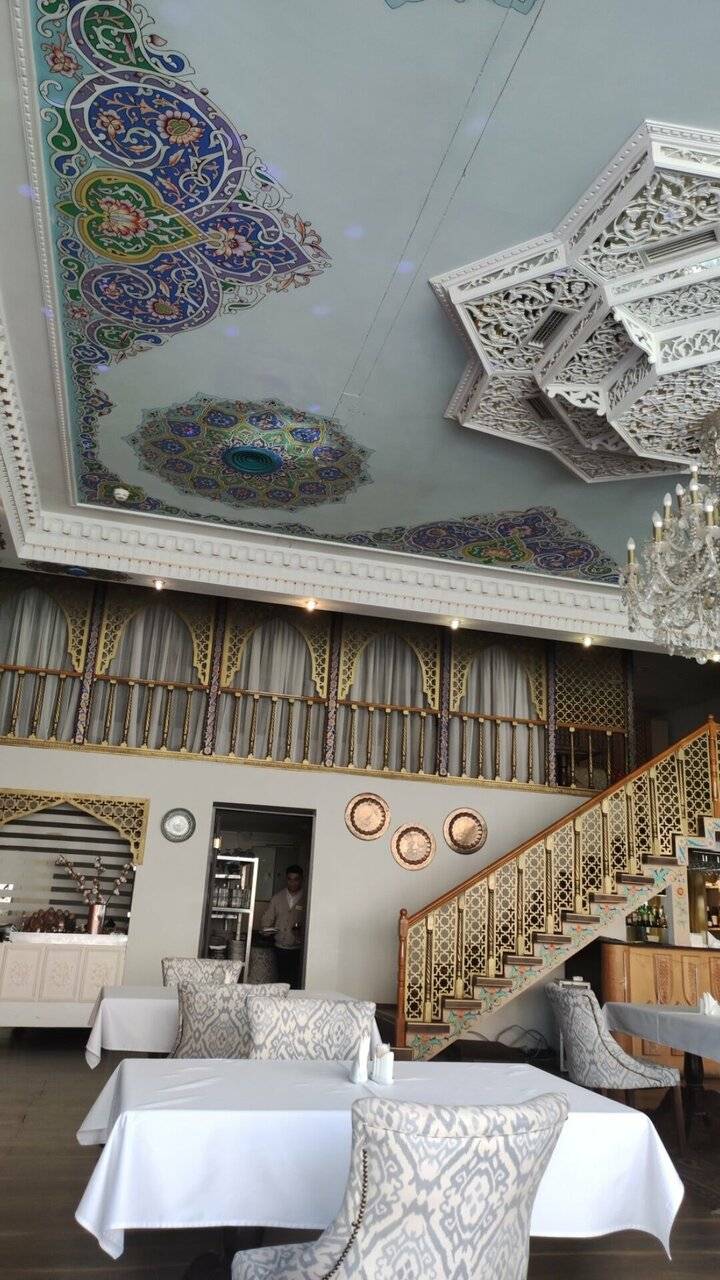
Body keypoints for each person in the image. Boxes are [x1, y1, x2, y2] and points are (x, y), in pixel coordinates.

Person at [261, 865, 305, 989]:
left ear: (301, 880)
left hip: (300, 949)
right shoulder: (277, 898)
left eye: (296, 879)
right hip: (280, 947)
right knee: (281, 981)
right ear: (286, 879)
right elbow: (268, 918)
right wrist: (265, 928)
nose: (292, 883)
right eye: (290, 879)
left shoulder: (307, 898)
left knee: (297, 982)